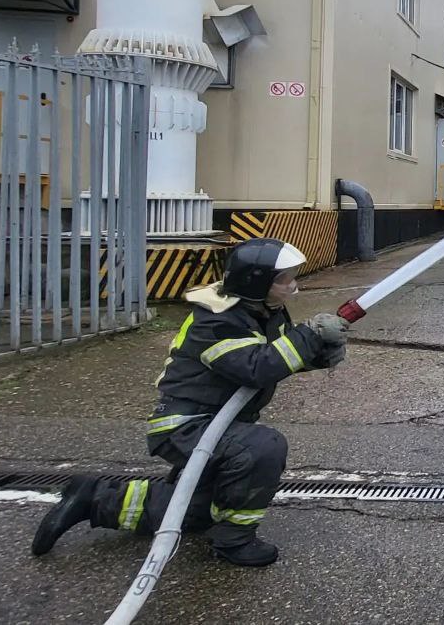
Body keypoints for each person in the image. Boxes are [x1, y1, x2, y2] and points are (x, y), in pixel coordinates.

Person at [30, 238, 349, 567]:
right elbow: (256, 368)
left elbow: (276, 355)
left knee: (196, 511)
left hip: (217, 423)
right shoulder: (217, 321)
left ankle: (93, 499)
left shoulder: (261, 309)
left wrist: (319, 354)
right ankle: (234, 541)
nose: (292, 283)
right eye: (285, 278)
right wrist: (309, 335)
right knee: (262, 448)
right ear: (257, 282)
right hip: (186, 425)